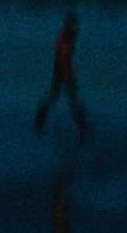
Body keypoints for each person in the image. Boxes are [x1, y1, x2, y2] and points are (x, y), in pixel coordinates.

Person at [33, 10, 89, 142]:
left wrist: (72, 67)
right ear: (69, 25)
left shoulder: (70, 36)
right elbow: (62, 59)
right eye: (74, 25)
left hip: (64, 71)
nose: (76, 27)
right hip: (61, 72)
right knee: (68, 98)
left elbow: (67, 57)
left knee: (60, 97)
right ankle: (82, 126)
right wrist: (66, 75)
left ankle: (40, 120)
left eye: (76, 25)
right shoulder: (64, 38)